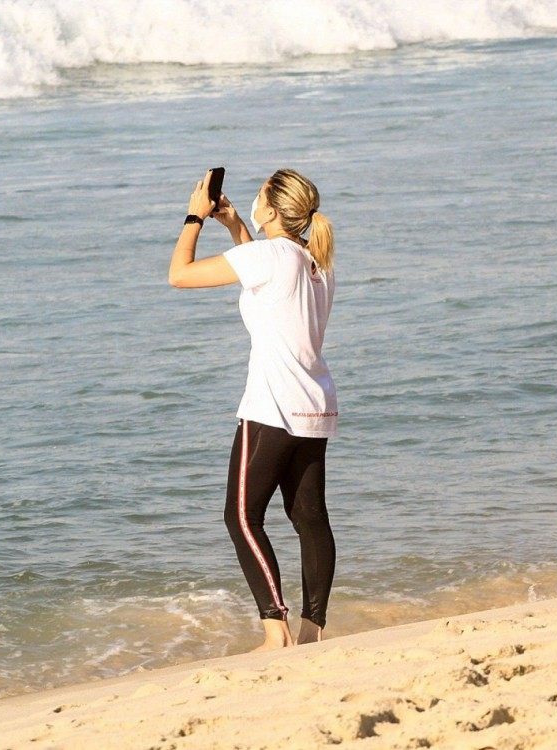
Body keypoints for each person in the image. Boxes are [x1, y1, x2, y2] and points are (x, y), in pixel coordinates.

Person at [167, 168, 338, 652]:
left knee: (241, 517)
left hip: (272, 406)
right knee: (309, 518)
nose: (255, 199)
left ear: (272, 210)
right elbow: (265, 274)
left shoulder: (268, 257)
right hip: (313, 406)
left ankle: (274, 630)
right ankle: (312, 632)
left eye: (260, 195)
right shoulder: (314, 261)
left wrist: (194, 217)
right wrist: (234, 223)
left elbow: (179, 274)